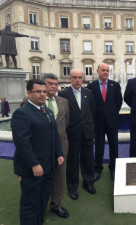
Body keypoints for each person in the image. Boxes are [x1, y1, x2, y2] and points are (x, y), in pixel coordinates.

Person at [11, 79, 64, 225]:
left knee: (42, 202)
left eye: (44, 92)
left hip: (48, 167)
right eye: (38, 91)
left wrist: (59, 153)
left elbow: (54, 135)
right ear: (29, 93)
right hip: (31, 170)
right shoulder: (22, 113)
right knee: (30, 205)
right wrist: (34, 164)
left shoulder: (47, 111)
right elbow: (22, 143)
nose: (42, 95)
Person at [59, 69, 96, 200]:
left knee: (88, 159)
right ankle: (72, 187)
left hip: (87, 132)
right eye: (75, 77)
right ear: (70, 78)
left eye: (80, 77)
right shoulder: (63, 94)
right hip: (72, 133)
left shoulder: (88, 93)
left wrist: (92, 129)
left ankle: (88, 182)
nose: (78, 80)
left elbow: (92, 111)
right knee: (73, 161)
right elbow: (62, 115)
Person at [87, 63, 122, 181]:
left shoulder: (115, 85)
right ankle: (98, 169)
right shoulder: (91, 86)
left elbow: (119, 102)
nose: (105, 72)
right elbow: (90, 104)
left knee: (114, 145)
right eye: (103, 70)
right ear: (98, 71)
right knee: (99, 146)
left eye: (107, 70)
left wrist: (111, 113)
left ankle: (113, 168)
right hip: (97, 121)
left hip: (112, 121)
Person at [43, 73, 70, 218]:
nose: (53, 86)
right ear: (44, 85)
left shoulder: (63, 101)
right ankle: (40, 206)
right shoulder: (35, 101)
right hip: (41, 149)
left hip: (61, 146)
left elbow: (66, 123)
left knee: (59, 177)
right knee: (41, 178)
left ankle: (56, 205)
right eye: (50, 83)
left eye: (55, 84)